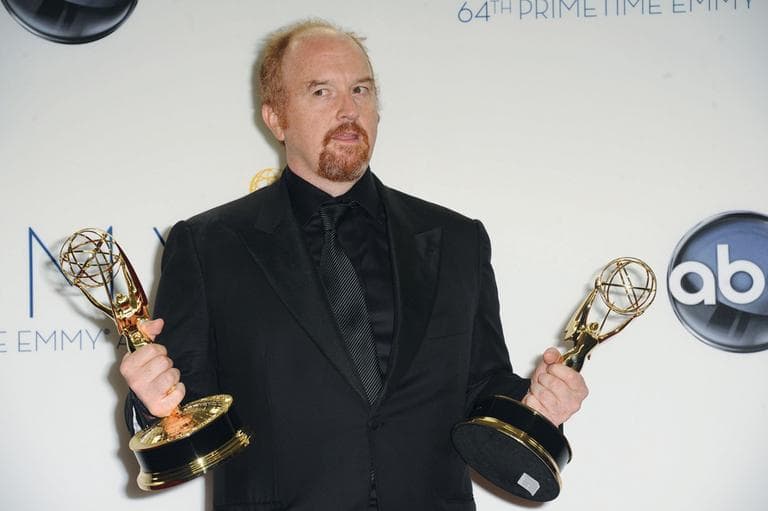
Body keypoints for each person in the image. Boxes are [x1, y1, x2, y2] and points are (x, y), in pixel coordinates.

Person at [120, 19, 588, 511]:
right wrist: (154, 405)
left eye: (361, 89)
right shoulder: (208, 244)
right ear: (276, 118)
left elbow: (481, 385)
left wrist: (535, 408)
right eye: (321, 91)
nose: (349, 110)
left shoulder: (456, 239)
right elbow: (187, 406)